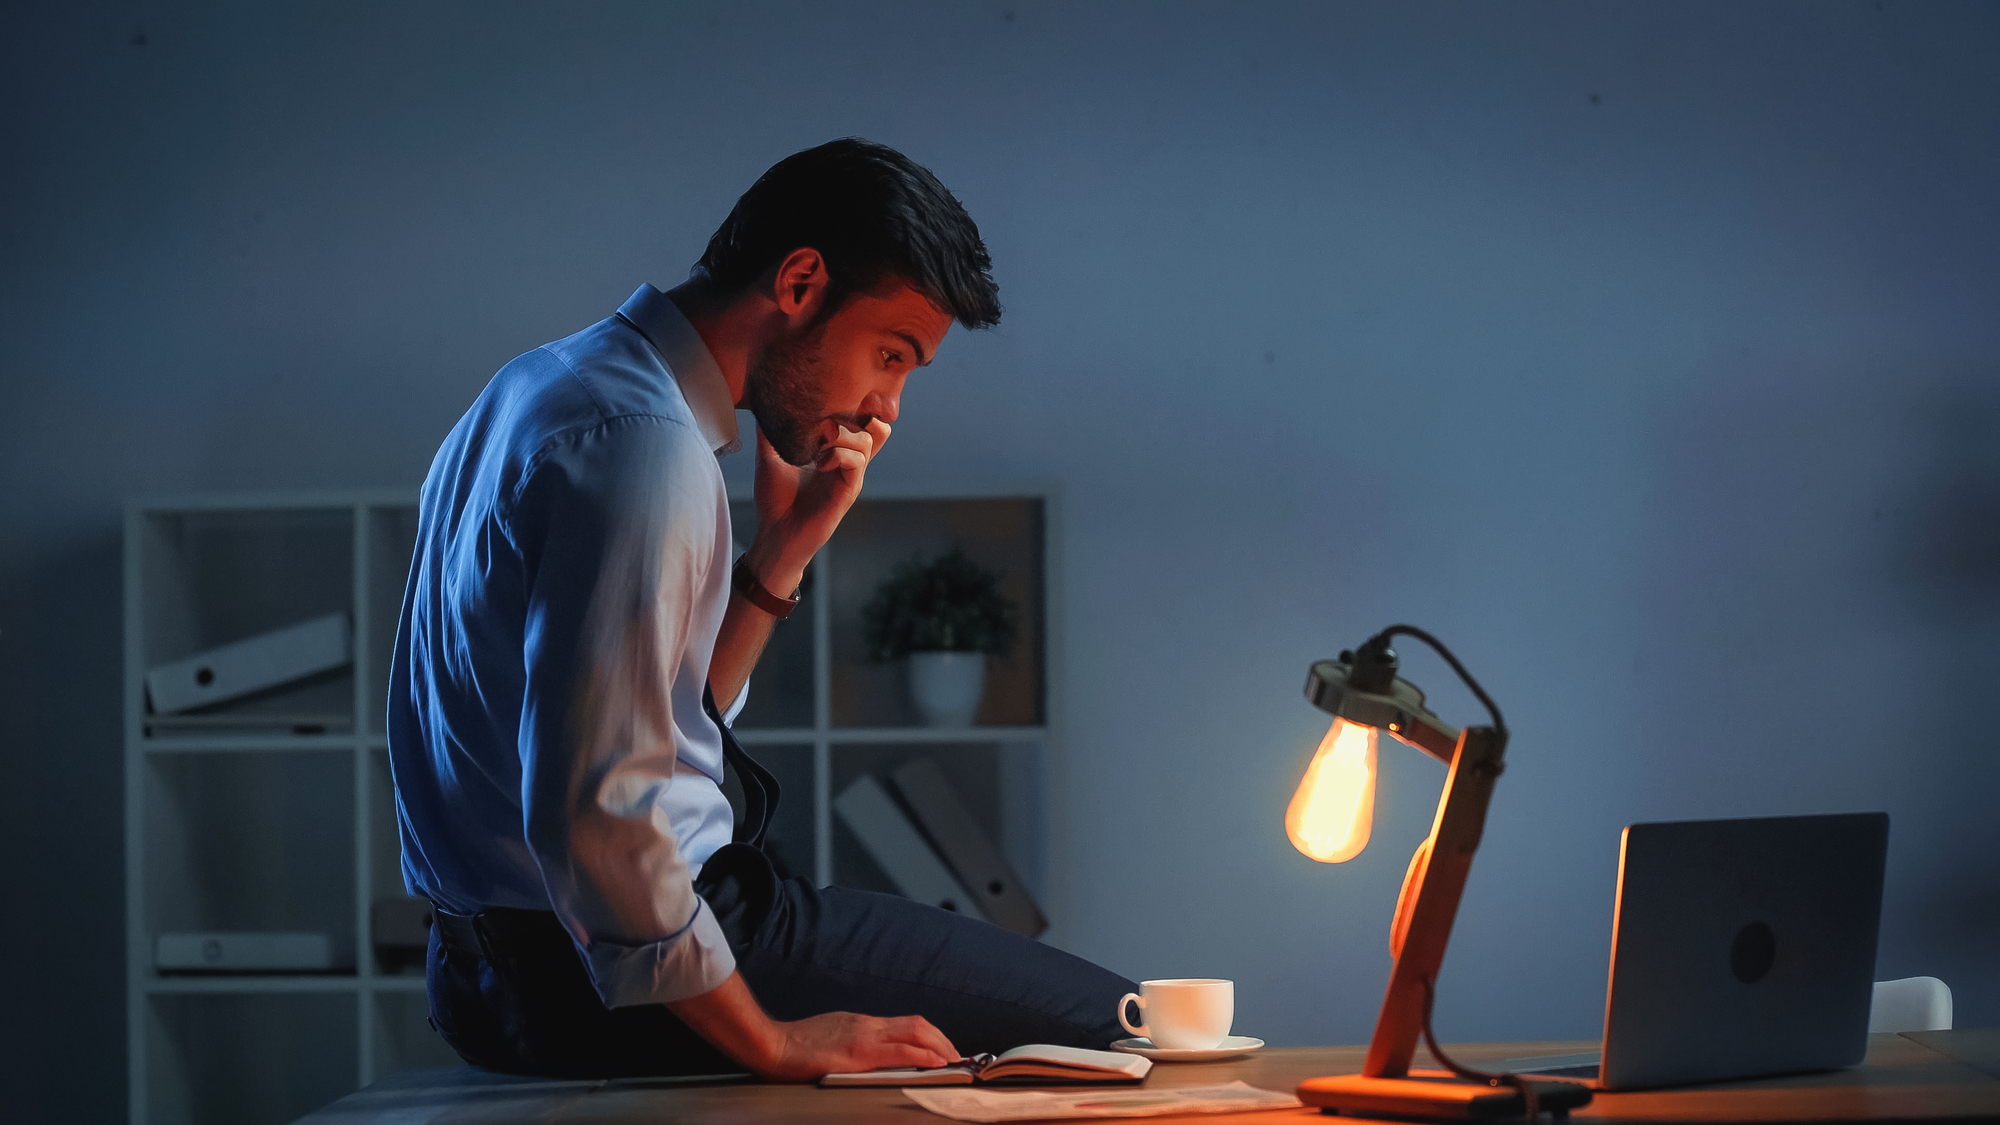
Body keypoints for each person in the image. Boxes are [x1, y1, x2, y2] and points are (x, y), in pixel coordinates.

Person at [387, 138, 1137, 1082]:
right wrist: (773, 1041)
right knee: (1124, 1025)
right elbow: (599, 815)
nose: (888, 405)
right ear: (799, 282)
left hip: (486, 971)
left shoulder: (535, 390)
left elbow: (655, 720)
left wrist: (780, 555)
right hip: (607, 963)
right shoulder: (643, 447)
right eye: (890, 354)